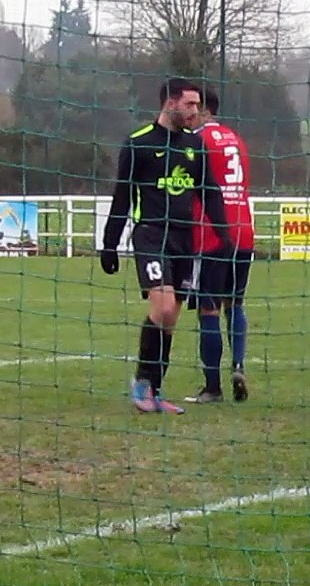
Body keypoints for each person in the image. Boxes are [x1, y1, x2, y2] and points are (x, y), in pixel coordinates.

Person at [99, 78, 232, 414]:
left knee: (171, 316)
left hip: (184, 238)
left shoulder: (195, 145)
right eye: (189, 104)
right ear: (170, 103)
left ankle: (155, 392)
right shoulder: (139, 143)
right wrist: (109, 244)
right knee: (162, 306)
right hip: (151, 234)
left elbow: (210, 193)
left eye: (197, 105)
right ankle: (141, 384)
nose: (195, 112)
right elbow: (122, 196)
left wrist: (225, 237)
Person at [185, 88, 256, 404]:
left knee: (208, 308)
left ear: (204, 111)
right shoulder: (236, 140)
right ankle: (238, 364)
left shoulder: (198, 141)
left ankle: (212, 387)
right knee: (235, 303)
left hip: (212, 232)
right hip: (243, 231)